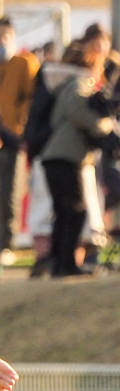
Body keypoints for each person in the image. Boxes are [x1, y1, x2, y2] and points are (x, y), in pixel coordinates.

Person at [35, 43, 118, 277]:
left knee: (64, 211)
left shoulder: (63, 84)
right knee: (75, 210)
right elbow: (76, 110)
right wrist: (104, 126)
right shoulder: (79, 83)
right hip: (66, 156)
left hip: (55, 156)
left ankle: (59, 263)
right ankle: (67, 264)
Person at [0, 18, 40, 262]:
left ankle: (7, 244)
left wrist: (18, 125)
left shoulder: (24, 63)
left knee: (9, 193)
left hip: (12, 138)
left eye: (5, 36)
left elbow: (32, 99)